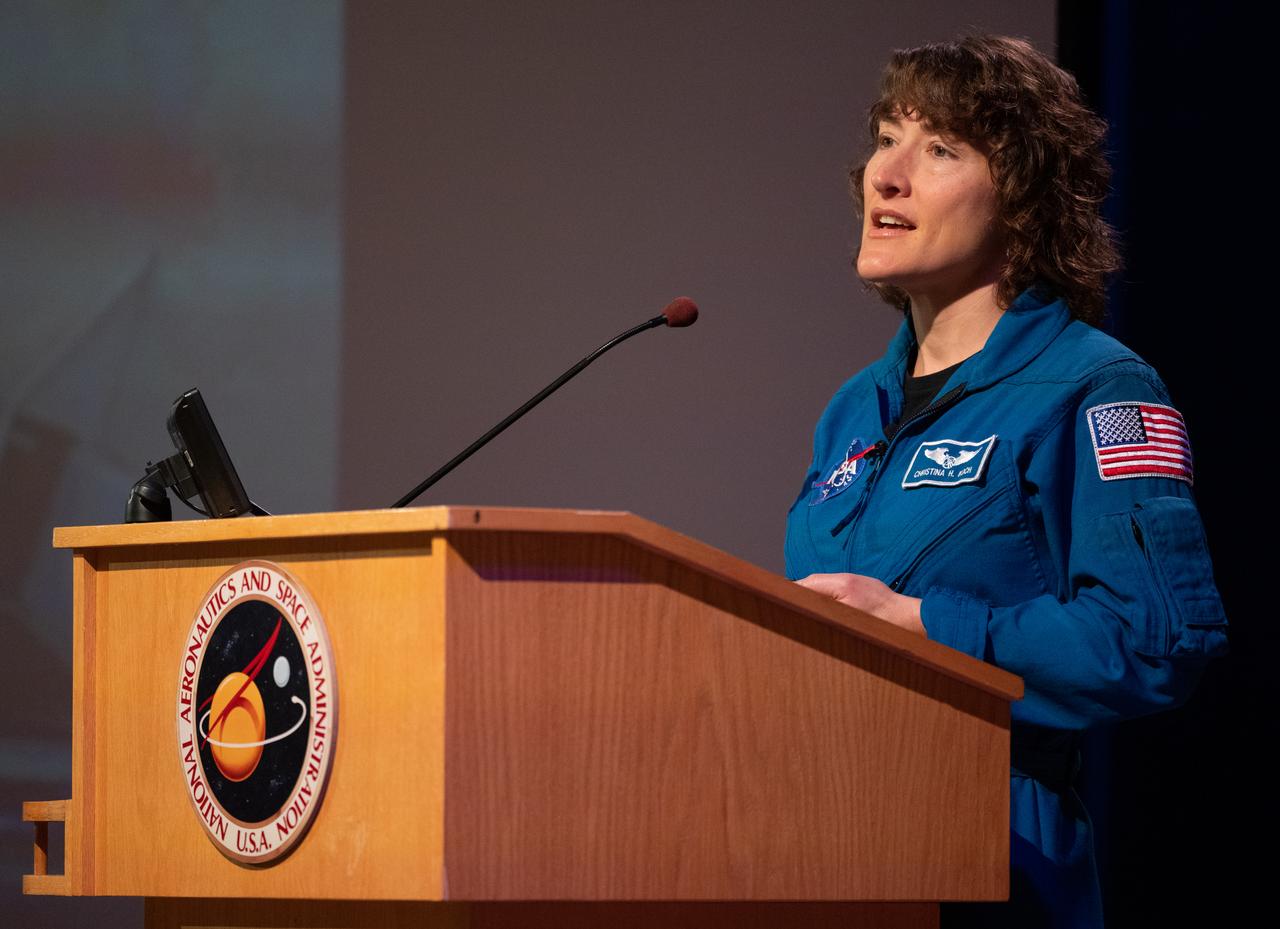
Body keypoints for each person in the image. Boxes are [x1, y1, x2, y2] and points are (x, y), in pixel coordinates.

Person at [784, 35, 1227, 928]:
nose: (887, 176)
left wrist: (923, 628)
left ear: (1023, 200)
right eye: (884, 137)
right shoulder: (852, 409)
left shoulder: (1098, 387)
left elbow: (1156, 638)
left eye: (940, 148)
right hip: (828, 848)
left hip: (992, 857)